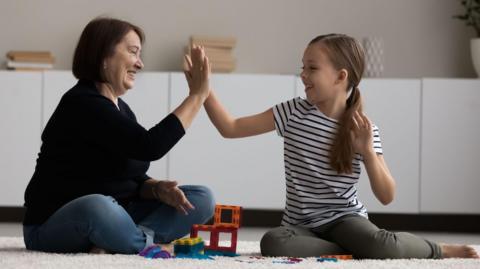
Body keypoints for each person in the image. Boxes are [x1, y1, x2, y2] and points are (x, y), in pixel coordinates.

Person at [186, 33, 479, 259]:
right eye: (303, 67)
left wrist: (367, 152)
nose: (303, 74)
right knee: (272, 242)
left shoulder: (362, 128)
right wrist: (203, 90)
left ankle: (439, 250)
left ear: (341, 77)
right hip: (299, 225)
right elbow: (231, 128)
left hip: (344, 218)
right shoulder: (293, 112)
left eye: (312, 68)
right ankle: (353, 250)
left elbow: (387, 195)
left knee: (382, 245)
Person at [23, 17, 215, 254]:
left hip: (116, 214)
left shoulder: (121, 109)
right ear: (104, 55)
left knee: (201, 197)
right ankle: (140, 243)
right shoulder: (82, 103)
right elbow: (150, 146)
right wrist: (196, 96)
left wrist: (156, 189)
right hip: (50, 226)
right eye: (134, 52)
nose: (140, 64)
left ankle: (123, 240)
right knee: (98, 206)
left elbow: (127, 174)